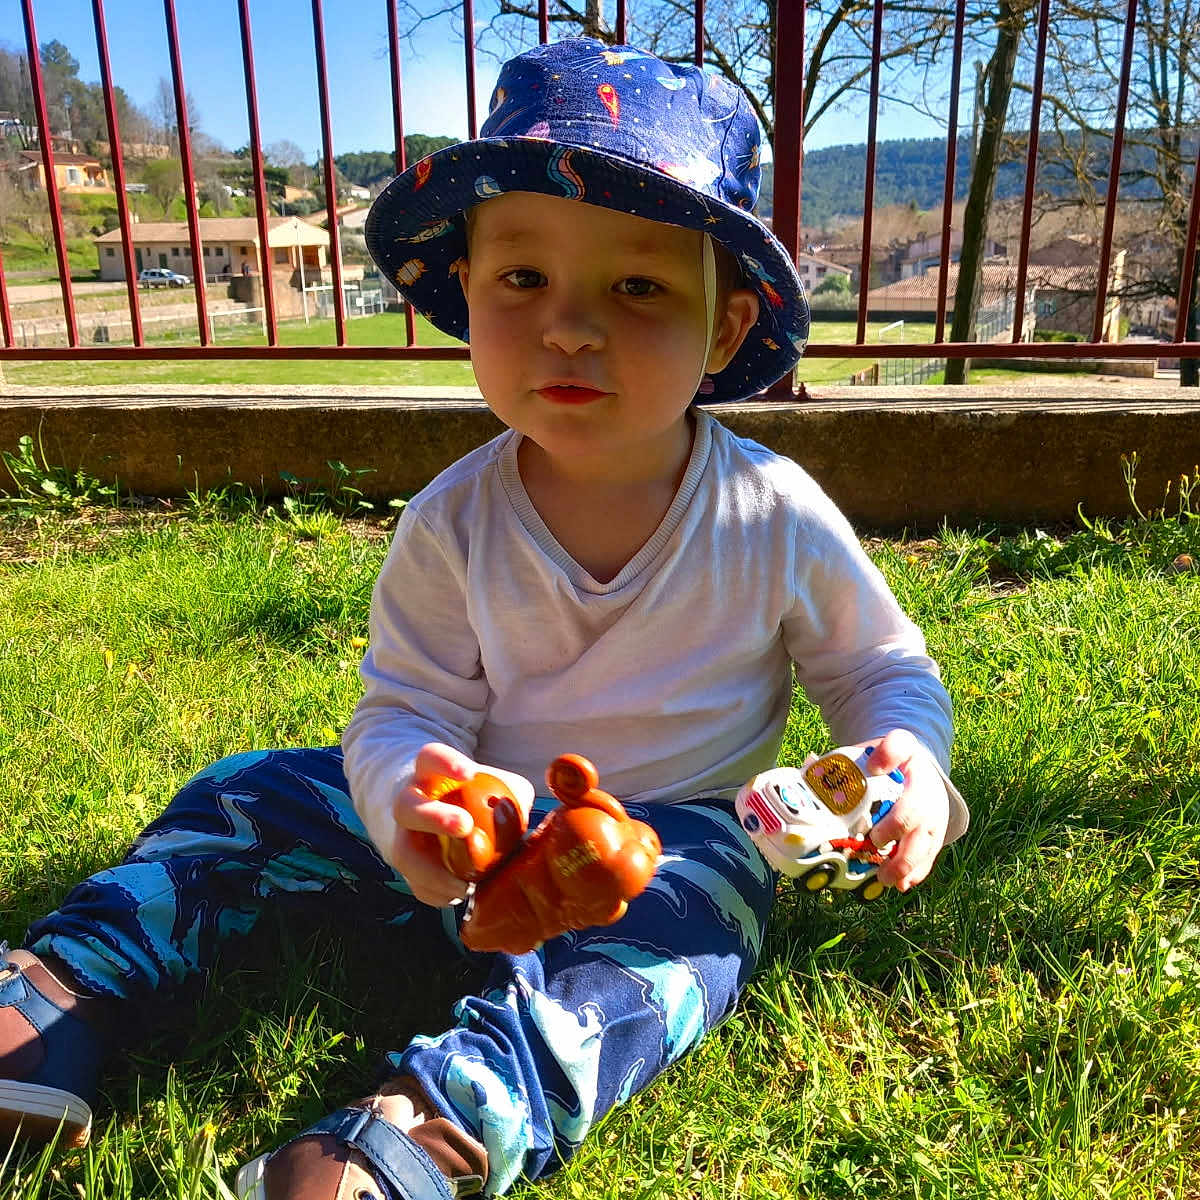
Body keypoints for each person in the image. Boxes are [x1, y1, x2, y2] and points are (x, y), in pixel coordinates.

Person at [0, 38, 968, 1200]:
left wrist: (908, 759)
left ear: (724, 330)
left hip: (664, 848)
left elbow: (882, 669)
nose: (569, 327)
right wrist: (415, 800)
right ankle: (66, 989)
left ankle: (434, 1126)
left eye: (639, 287)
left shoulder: (772, 514)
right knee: (246, 789)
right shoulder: (453, 520)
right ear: (468, 293)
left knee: (693, 939)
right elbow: (407, 706)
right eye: (523, 281)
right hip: (473, 841)